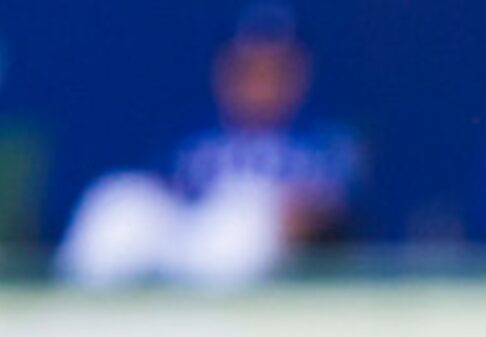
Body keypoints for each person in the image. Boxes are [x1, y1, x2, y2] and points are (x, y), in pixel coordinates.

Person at [55, 5, 359, 289]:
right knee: (118, 198)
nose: (260, 81)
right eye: (248, 68)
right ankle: (67, 320)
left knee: (242, 214)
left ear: (299, 75)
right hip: (188, 245)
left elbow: (327, 218)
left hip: (263, 271)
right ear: (224, 73)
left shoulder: (324, 141)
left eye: (274, 69)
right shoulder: (195, 139)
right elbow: (164, 195)